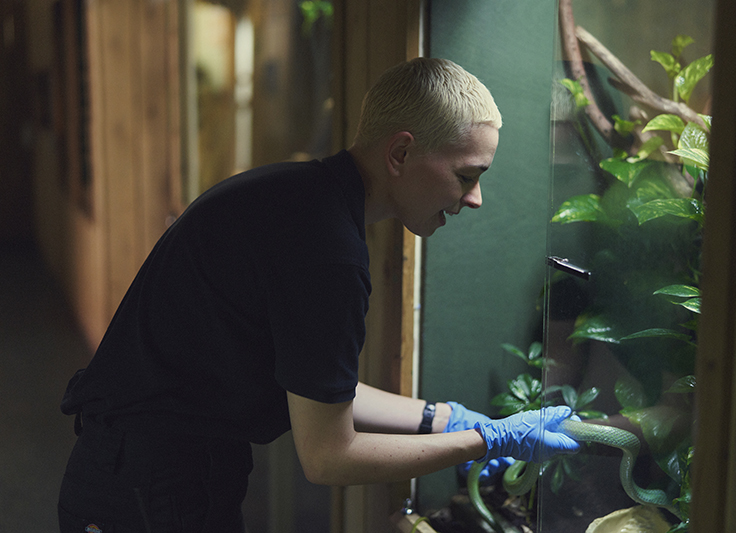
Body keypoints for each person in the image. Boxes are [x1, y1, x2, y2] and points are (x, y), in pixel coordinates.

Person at [57, 57, 579, 533]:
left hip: (139, 473)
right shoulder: (327, 253)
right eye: (467, 175)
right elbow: (329, 457)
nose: (476, 199)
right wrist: (490, 440)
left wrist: (440, 418)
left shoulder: (299, 196)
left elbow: (319, 391)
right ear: (400, 152)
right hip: (147, 493)